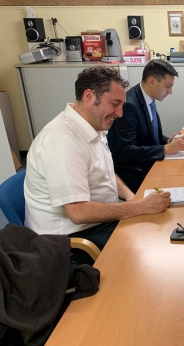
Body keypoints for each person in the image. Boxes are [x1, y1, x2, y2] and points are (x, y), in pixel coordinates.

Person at [24, 66, 172, 264]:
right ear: (89, 96)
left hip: (96, 223)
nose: (120, 113)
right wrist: (139, 207)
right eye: (115, 104)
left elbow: (106, 172)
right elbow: (78, 212)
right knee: (151, 247)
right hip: (69, 242)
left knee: (158, 228)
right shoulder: (63, 141)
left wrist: (131, 197)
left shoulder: (93, 126)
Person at [108, 60, 184, 193]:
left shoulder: (148, 100)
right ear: (152, 82)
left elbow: (151, 137)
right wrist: (166, 148)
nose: (170, 92)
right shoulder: (129, 105)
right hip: (135, 174)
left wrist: (168, 141)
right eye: (168, 86)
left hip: (149, 163)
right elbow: (125, 151)